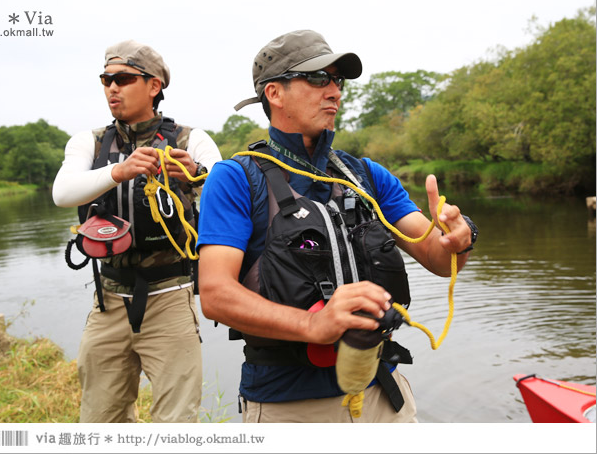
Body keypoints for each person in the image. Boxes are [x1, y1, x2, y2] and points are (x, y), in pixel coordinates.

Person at [196, 30, 478, 423]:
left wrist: (459, 239)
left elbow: (436, 256)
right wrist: (313, 323)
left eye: (337, 80)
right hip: (288, 407)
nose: (334, 91)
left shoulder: (367, 175)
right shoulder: (234, 179)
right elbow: (214, 294)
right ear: (274, 93)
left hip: (385, 396)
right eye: (317, 78)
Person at [53, 40, 222, 422]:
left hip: (172, 298)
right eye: (106, 79)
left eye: (124, 78)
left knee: (176, 423)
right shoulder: (89, 142)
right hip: (108, 299)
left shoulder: (191, 139)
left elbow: (227, 198)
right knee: (100, 419)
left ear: (154, 85)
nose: (112, 87)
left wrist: (196, 176)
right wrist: (119, 171)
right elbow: (62, 193)